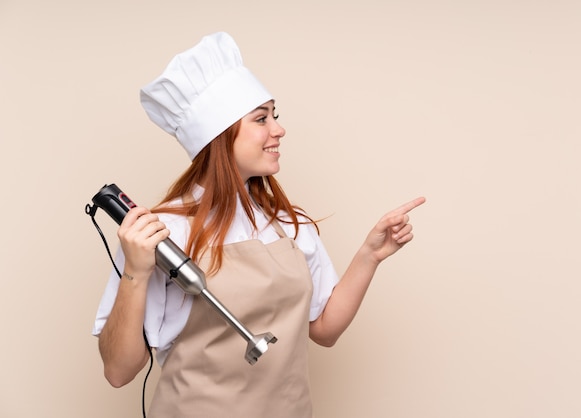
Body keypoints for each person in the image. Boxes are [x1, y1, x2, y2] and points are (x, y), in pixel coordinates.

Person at [93, 32, 425, 417]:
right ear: (220, 134)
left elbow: (324, 330)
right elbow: (119, 371)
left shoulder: (289, 223)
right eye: (261, 118)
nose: (278, 129)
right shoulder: (162, 233)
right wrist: (135, 269)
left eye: (275, 116)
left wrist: (370, 255)